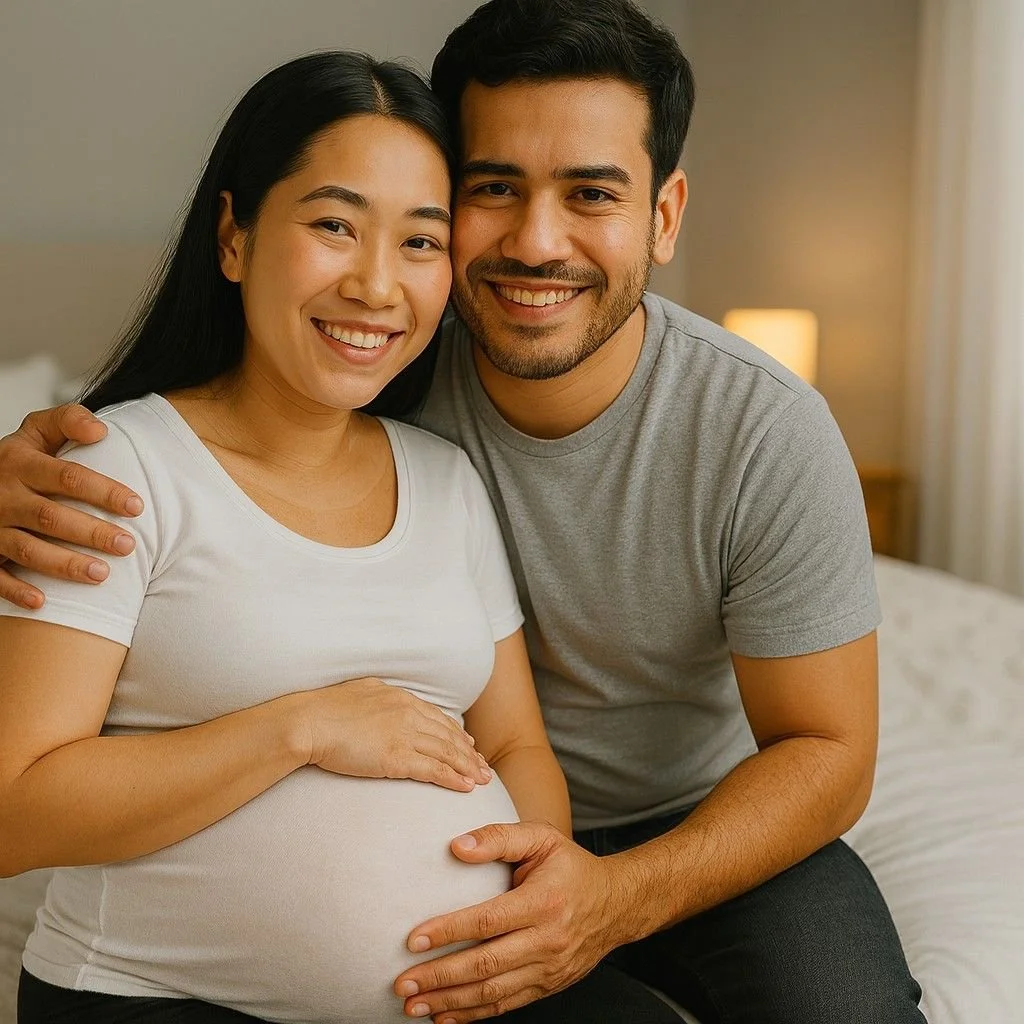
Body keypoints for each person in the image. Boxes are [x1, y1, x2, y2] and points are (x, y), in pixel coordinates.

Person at [0, 3, 928, 1023]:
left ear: (663, 215)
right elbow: (194, 417)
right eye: (493, 190)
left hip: (690, 819)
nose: (535, 243)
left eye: (590, 194)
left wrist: (602, 898)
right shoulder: (359, 355)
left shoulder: (756, 429)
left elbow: (830, 755)